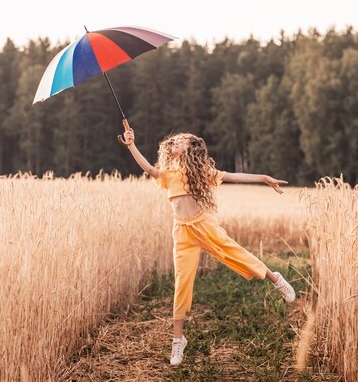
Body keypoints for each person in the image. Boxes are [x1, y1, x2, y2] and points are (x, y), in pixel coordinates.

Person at [123, 127, 295, 367]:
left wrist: (264, 178)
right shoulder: (169, 173)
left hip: (205, 227)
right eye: (176, 140)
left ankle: (275, 278)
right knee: (181, 285)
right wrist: (131, 145)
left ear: (191, 149)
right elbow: (149, 169)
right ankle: (178, 340)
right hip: (182, 233)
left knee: (235, 253)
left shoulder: (202, 172)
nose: (176, 141)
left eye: (182, 140)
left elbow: (235, 176)